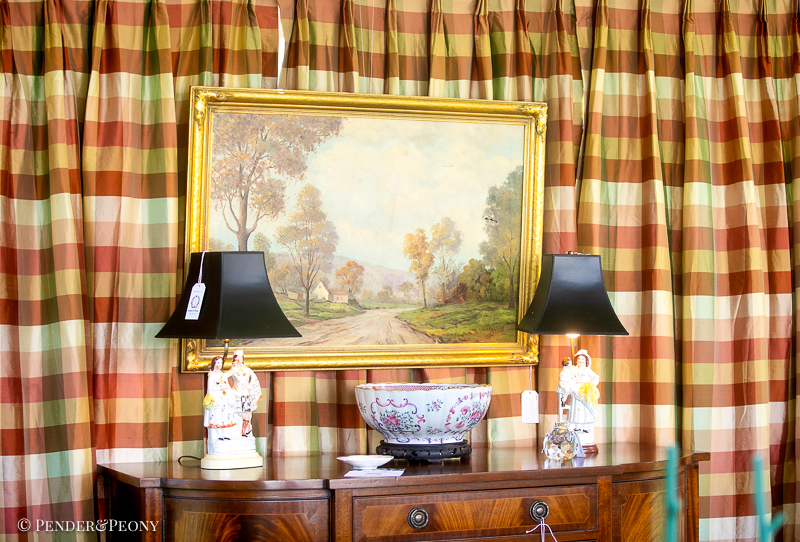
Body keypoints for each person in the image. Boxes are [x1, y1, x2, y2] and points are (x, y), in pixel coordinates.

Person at [230, 350, 262, 437]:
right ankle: (238, 430)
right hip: (237, 394)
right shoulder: (233, 370)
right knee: (237, 412)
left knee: (247, 413)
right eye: (237, 357)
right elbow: (224, 378)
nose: (239, 359)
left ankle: (245, 430)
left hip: (246, 395)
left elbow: (253, 378)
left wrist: (250, 385)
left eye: (241, 357)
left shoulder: (247, 370)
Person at [203, 356, 236, 443]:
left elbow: (227, 385)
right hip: (217, 399)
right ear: (214, 364)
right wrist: (219, 387)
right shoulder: (212, 375)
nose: (219, 365)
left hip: (224, 399)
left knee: (224, 416)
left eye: (221, 363)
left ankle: (225, 435)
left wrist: (228, 390)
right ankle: (217, 435)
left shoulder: (222, 375)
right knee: (217, 417)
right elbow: (210, 388)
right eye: (218, 363)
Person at [570, 349, 600, 431]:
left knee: (585, 409)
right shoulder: (574, 370)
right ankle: (577, 427)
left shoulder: (587, 370)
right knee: (576, 408)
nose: (580, 361)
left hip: (584, 391)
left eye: (582, 359)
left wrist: (591, 386)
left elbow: (596, 378)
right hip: (575, 390)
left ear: (586, 360)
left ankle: (586, 427)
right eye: (579, 359)